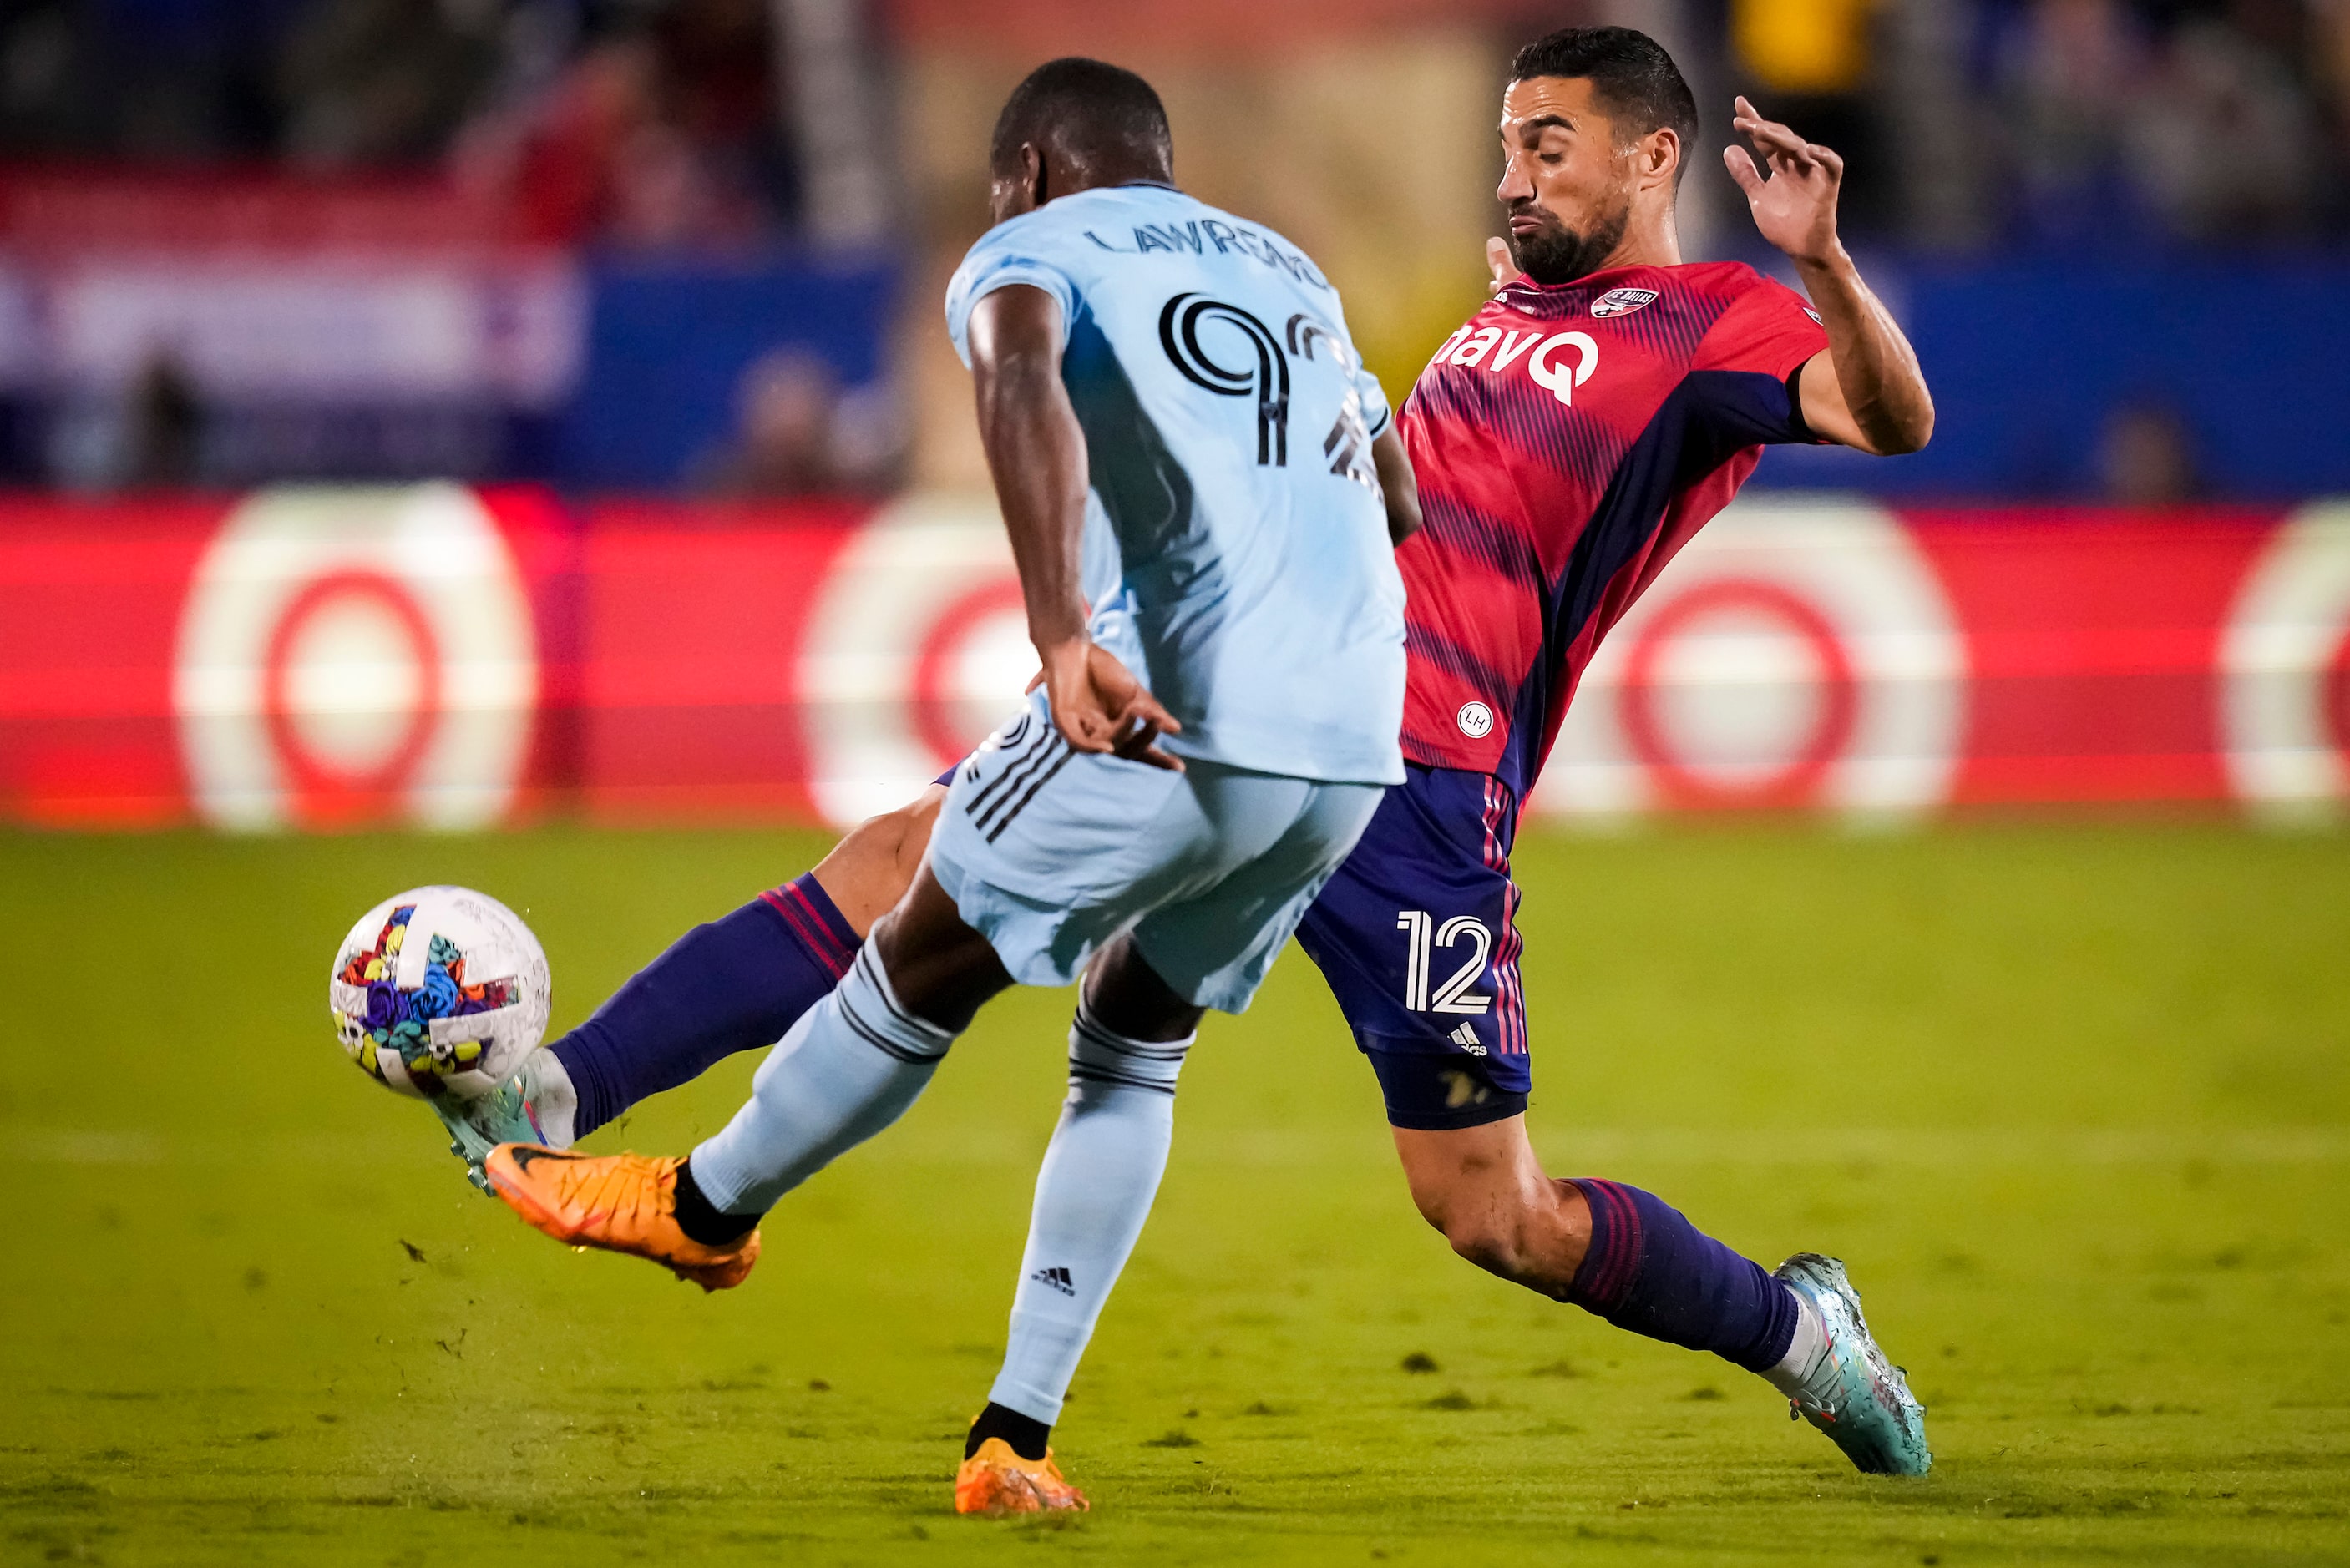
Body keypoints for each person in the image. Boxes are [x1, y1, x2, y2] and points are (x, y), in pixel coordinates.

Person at [441, 27, 1938, 1512]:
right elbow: (1397, 494)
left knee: (1496, 1213)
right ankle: (579, 1101)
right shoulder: (1490, 316)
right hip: (1291, 698)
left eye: (1547, 146)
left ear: (1652, 154)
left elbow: (1889, 417)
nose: (1513, 177)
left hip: (1427, 784)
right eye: (1503, 145)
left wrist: (1822, 264)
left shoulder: (1711, 320)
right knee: (921, 870)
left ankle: (1803, 1336)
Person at [472, 57, 1420, 1515]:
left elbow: (1018, 375)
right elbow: (1398, 488)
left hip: (1174, 698)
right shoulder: (1288, 265)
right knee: (1131, 1040)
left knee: (918, 937)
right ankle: (1013, 1440)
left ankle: (703, 1201)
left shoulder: (1029, 246)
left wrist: (1059, 636)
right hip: (1352, 732)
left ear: (1030, 171)